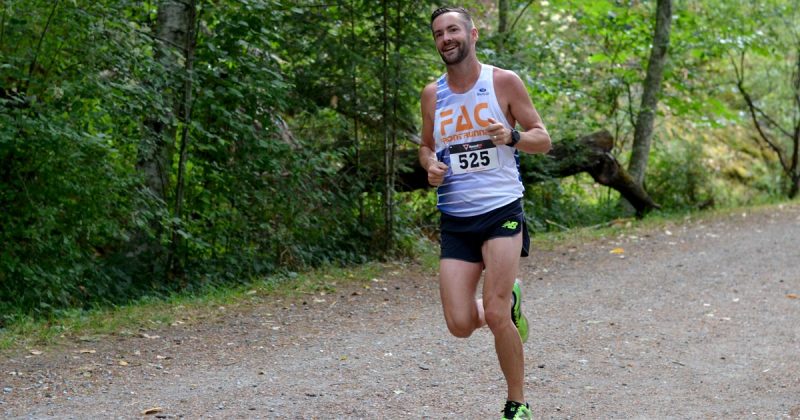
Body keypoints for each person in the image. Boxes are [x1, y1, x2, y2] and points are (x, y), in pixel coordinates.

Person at [418, 6, 552, 419]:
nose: (446, 39)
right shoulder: (432, 94)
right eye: (439, 33)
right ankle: (511, 297)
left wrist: (512, 136)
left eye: (453, 30)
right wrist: (430, 167)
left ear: (472, 34)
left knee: (493, 313)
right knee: (459, 324)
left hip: (500, 210)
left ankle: (517, 403)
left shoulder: (503, 82)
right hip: (456, 217)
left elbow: (542, 139)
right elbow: (425, 146)